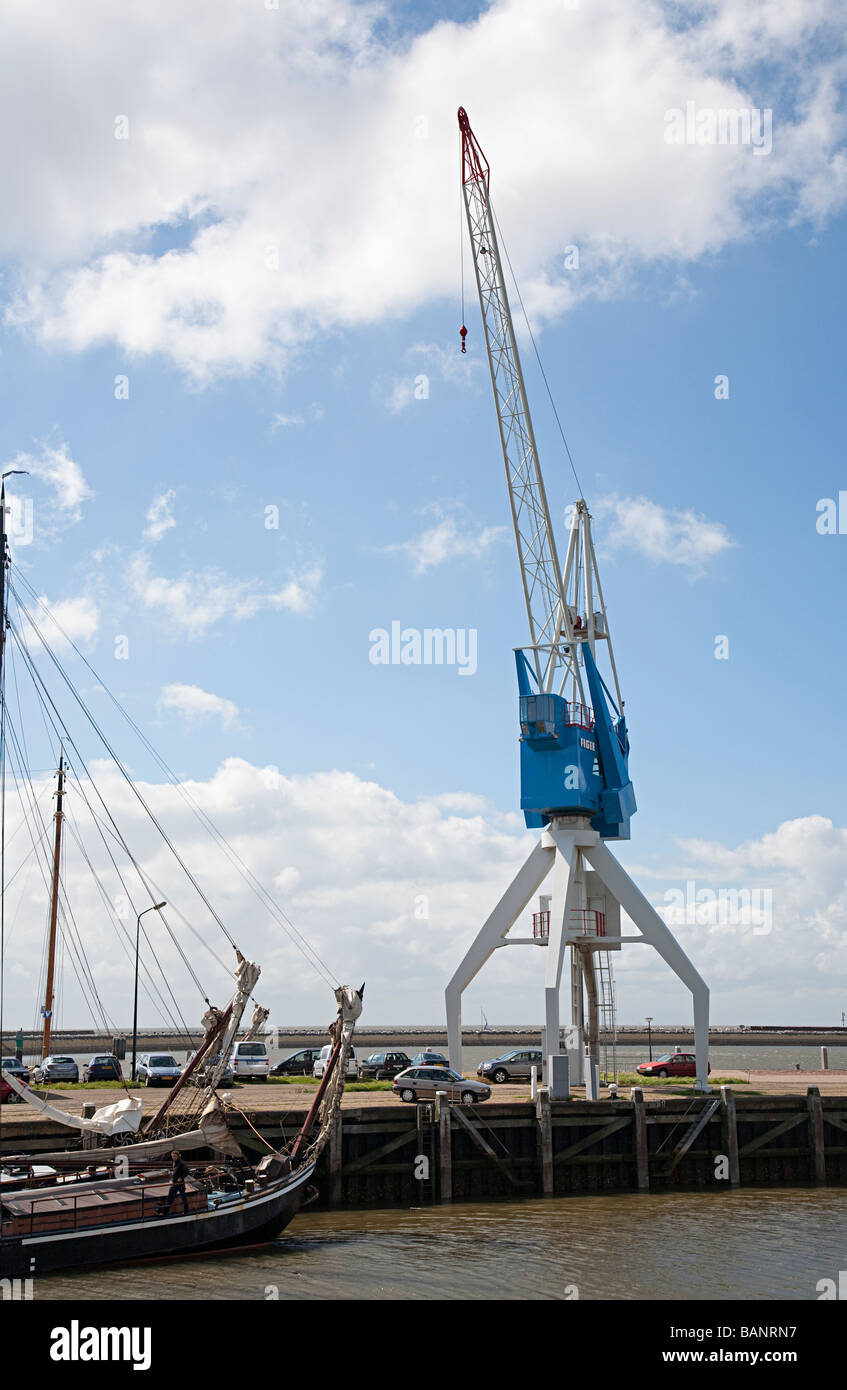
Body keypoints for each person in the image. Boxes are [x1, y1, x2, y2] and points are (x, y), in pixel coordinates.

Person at [157, 1150, 190, 1216]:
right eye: (172, 1156)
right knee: (170, 1198)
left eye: (174, 1156)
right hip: (174, 1183)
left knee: (183, 1197)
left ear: (178, 1156)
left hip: (180, 1184)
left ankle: (186, 1211)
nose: (173, 1157)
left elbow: (187, 1171)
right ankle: (165, 1213)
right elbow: (176, 1171)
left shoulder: (182, 1163)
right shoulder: (174, 1162)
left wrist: (181, 1177)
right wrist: (171, 1174)